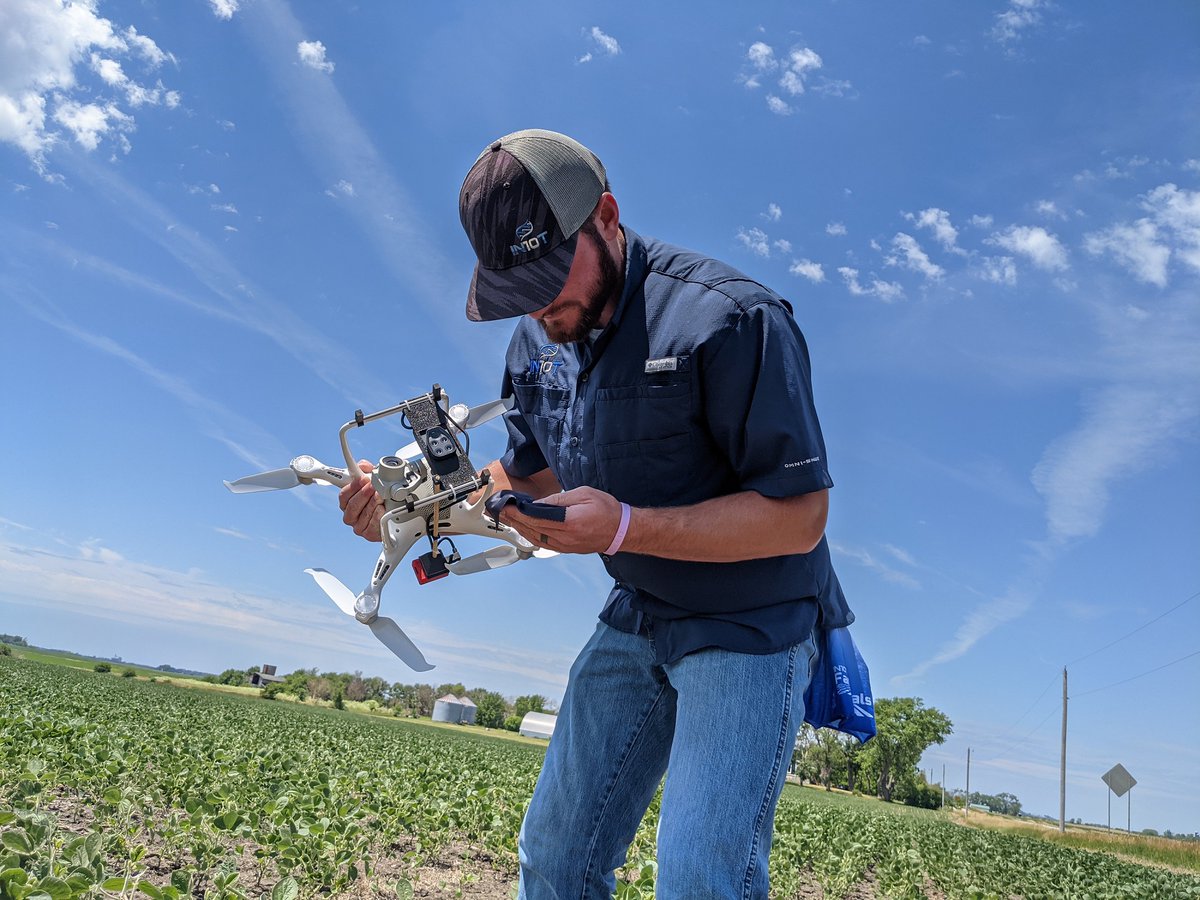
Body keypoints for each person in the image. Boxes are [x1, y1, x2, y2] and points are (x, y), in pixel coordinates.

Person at [340, 129, 855, 899]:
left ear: (607, 217)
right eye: (519, 294)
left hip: (752, 619)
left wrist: (624, 529)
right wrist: (409, 502)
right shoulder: (537, 339)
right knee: (555, 857)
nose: (542, 310)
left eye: (551, 278)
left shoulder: (732, 320)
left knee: (699, 879)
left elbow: (799, 516)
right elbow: (520, 470)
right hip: (641, 608)